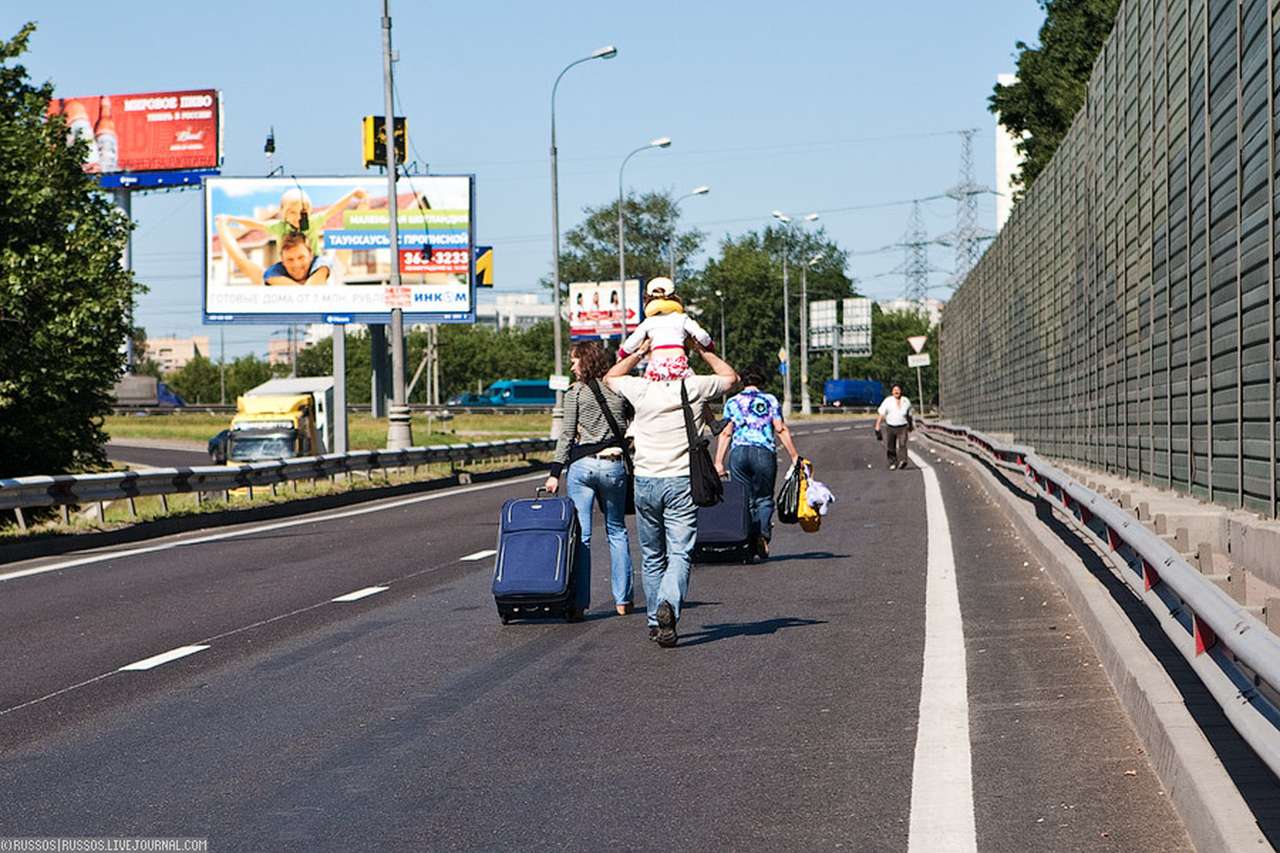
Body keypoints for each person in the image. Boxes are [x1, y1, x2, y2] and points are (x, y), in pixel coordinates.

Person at [605, 338, 738, 648]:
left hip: (646, 480)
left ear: (652, 363)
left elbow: (611, 378)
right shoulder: (693, 387)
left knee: (652, 555)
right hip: (681, 481)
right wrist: (701, 347)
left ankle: (655, 620)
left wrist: (638, 351)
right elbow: (731, 377)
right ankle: (668, 602)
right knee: (680, 552)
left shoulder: (640, 388)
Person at [544, 341, 635, 619]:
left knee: (582, 536)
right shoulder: (618, 388)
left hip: (582, 468)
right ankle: (623, 601)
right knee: (617, 531)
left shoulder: (575, 394)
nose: (572, 366)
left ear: (585, 361)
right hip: (613, 465)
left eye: (575, 361)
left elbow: (567, 435)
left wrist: (554, 473)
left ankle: (580, 603)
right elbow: (628, 423)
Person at [714, 366, 801, 558]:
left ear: (743, 382)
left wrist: (718, 461)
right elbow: (780, 429)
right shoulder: (769, 400)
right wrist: (794, 456)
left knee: (745, 498)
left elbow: (726, 432)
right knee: (764, 498)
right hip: (764, 452)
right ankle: (762, 534)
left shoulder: (732, 402)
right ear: (761, 382)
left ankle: (747, 539)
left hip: (738, 454)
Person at [616, 277, 715, 382]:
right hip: (679, 366)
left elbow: (631, 344)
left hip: (656, 368)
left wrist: (622, 355)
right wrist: (710, 347)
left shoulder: (648, 322)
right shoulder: (682, 318)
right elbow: (701, 335)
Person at [215, 219, 334, 286]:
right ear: (282, 261)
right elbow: (241, 260)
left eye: (301, 257)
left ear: (311, 255)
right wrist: (221, 225)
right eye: (290, 259)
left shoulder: (323, 270)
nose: (296, 264)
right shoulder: (272, 276)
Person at [874, 383, 913, 470]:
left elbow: (909, 415)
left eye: (898, 390)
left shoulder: (906, 401)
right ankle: (892, 462)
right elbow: (881, 414)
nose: (896, 391)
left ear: (901, 391)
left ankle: (903, 461)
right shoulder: (888, 401)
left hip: (903, 426)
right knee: (891, 446)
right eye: (895, 390)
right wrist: (877, 426)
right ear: (892, 392)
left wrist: (910, 425)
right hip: (891, 426)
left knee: (902, 444)